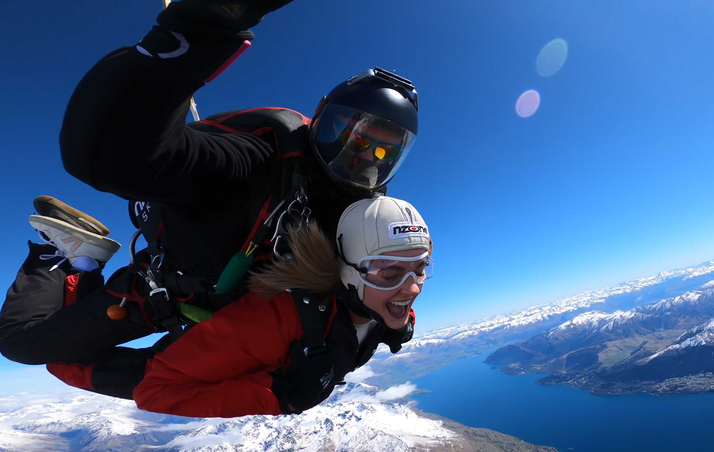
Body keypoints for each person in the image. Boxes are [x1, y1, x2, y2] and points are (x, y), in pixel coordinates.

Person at [0, 0, 419, 371]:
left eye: (385, 152)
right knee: (21, 342)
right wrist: (201, 28)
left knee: (72, 348)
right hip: (161, 294)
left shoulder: (366, 216)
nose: (365, 157)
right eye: (356, 136)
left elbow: (382, 274)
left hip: (219, 303)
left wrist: (393, 321)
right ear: (322, 115)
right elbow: (116, 157)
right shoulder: (256, 162)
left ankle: (84, 261)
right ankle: (57, 253)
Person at [31, 196, 433, 417]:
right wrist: (277, 396)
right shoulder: (276, 324)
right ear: (346, 270)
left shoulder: (379, 309)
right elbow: (154, 391)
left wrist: (396, 319)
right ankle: (73, 260)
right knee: (43, 353)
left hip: (221, 362)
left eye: (421, 268)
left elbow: (388, 303)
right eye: (388, 272)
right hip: (174, 370)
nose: (412, 287)